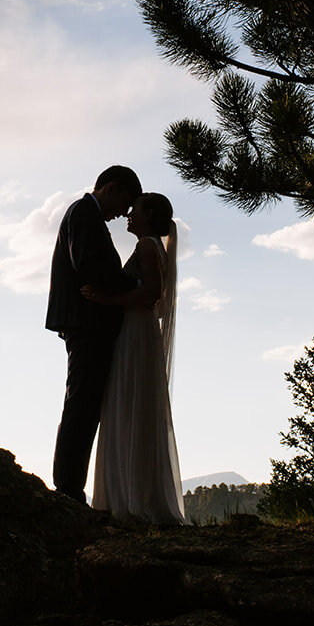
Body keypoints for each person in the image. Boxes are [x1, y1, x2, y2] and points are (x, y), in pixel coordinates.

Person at [81, 192, 185, 524]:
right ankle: (133, 492)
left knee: (128, 402)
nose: (128, 215)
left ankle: (128, 499)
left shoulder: (146, 246)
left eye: (134, 210)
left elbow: (153, 293)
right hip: (139, 329)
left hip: (134, 330)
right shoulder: (154, 247)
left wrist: (107, 300)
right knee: (133, 405)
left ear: (149, 214)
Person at [45, 165, 142, 502]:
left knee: (85, 403)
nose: (123, 214)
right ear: (111, 188)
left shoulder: (87, 215)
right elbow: (91, 267)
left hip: (87, 322)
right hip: (87, 322)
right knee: (82, 403)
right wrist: (137, 286)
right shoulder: (84, 214)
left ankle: (70, 486)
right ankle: (69, 488)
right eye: (125, 204)